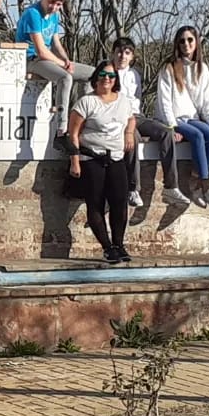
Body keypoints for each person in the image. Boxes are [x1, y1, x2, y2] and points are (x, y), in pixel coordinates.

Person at [65, 59, 136, 263]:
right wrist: (75, 161)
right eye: (103, 75)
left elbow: (131, 118)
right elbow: (73, 133)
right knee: (95, 204)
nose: (107, 79)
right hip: (92, 157)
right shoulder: (86, 102)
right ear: (96, 78)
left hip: (116, 157)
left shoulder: (123, 101)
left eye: (111, 76)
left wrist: (130, 133)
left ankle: (119, 244)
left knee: (120, 203)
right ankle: (106, 247)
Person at [111, 37, 190, 207]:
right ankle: (133, 188)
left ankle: (171, 186)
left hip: (137, 116)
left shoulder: (134, 75)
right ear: (113, 53)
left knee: (166, 132)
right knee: (133, 138)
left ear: (132, 56)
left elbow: (137, 99)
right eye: (119, 52)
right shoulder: (107, 72)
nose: (122, 56)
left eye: (127, 53)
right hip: (118, 118)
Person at [154, 26, 209, 209]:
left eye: (190, 40)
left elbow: (207, 102)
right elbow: (164, 100)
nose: (186, 44)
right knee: (197, 137)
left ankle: (195, 180)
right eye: (182, 40)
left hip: (191, 116)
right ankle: (206, 184)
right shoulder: (169, 67)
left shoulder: (202, 69)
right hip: (173, 118)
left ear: (196, 42)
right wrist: (170, 127)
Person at [16, 0, 94, 136]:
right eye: (51, 2)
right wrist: (61, 64)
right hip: (32, 59)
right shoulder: (33, 13)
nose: (53, 7)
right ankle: (62, 127)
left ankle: (83, 120)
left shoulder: (55, 16)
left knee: (92, 74)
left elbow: (56, 42)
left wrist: (66, 60)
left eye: (58, 4)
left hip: (49, 59)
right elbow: (41, 50)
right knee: (65, 78)